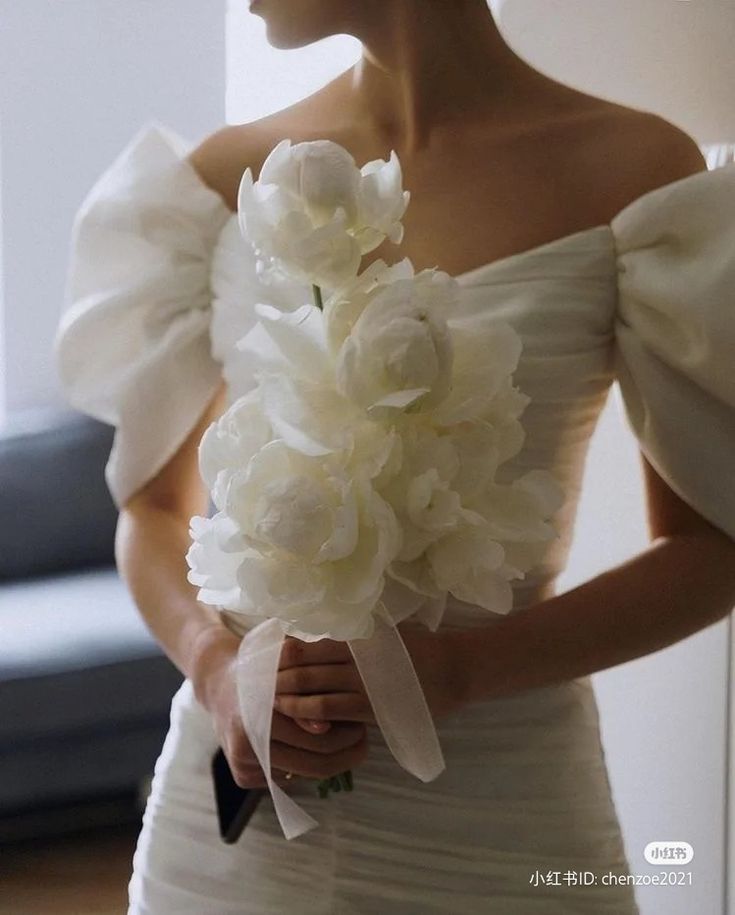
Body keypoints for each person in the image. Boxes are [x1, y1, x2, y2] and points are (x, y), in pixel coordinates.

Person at [54, 1, 735, 912]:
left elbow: (711, 545)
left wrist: (460, 670)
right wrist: (217, 670)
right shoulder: (217, 185)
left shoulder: (634, 177)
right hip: (236, 804)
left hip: (504, 807)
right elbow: (149, 512)